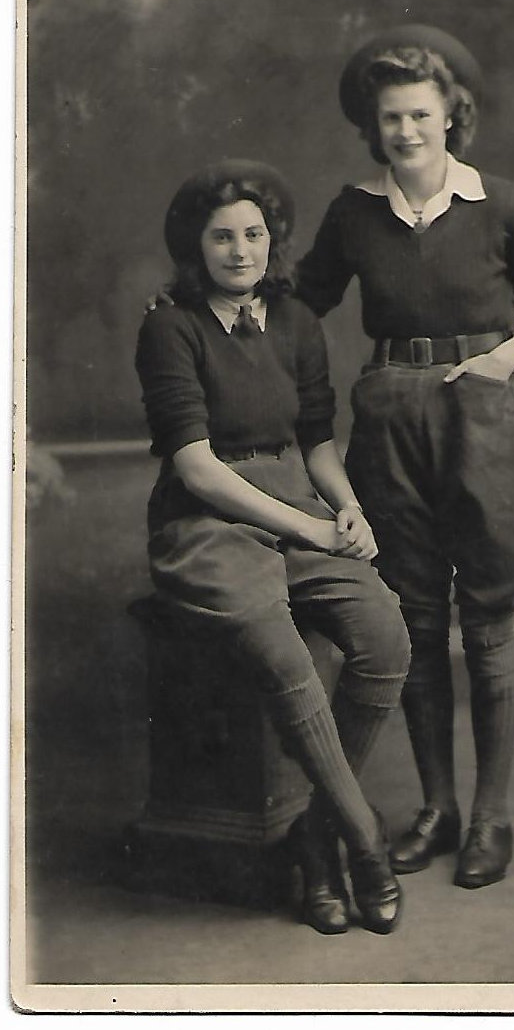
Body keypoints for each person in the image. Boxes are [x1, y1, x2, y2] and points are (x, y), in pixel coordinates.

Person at [295, 24, 514, 890]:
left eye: (420, 113)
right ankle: (437, 809)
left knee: (485, 619)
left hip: (480, 408)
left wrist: (497, 365)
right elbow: (302, 303)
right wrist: (203, 299)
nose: (405, 131)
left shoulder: (502, 203)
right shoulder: (352, 211)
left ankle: (491, 817)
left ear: (452, 115)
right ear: (372, 128)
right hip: (388, 415)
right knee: (413, 620)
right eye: (390, 118)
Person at [135, 159, 411, 935]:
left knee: (386, 637)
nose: (239, 250)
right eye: (221, 237)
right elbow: (196, 468)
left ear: (272, 240)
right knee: (282, 648)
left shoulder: (294, 321)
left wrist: (348, 510)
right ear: (197, 247)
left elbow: (319, 440)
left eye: (253, 233)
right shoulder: (170, 325)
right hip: (204, 522)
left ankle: (315, 836)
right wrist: (311, 528)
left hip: (297, 503)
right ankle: (362, 841)